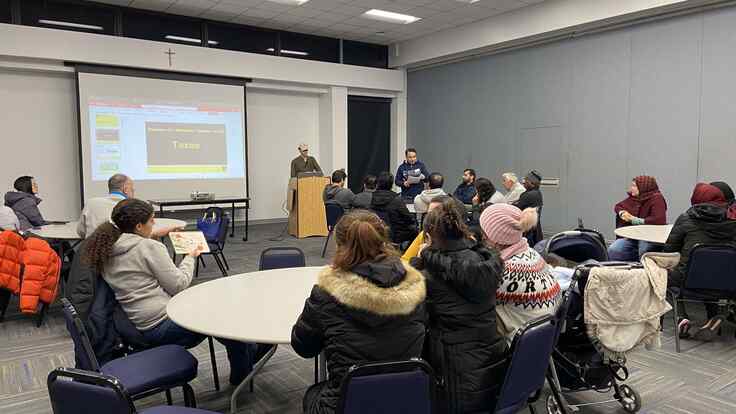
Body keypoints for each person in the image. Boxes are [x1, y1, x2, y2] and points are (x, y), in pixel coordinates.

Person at [81, 198, 268, 386]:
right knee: (222, 317)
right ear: (138, 226)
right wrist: (190, 256)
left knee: (216, 311)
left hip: (137, 326)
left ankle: (246, 353)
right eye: (151, 220)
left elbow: (137, 256)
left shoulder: (106, 246)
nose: (154, 224)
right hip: (164, 324)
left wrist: (154, 235)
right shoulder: (148, 247)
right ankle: (244, 367)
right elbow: (178, 284)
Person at [291, 210, 426, 414]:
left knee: (313, 394)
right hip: (407, 400)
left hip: (346, 405)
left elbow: (304, 348)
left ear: (339, 246)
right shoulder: (415, 287)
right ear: (384, 240)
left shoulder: (327, 293)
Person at [411, 196, 506, 413]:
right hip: (493, 368)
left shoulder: (428, 278)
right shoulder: (486, 263)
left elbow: (415, 319)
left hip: (453, 378)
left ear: (429, 236)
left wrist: (418, 263)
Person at [664, 183, 736, 341]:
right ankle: (716, 315)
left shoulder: (685, 218)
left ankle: (681, 318)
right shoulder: (732, 220)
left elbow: (668, 252)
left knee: (664, 277)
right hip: (726, 282)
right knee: (711, 273)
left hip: (689, 281)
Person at [480, 204, 561, 340]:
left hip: (519, 344)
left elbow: (474, 296)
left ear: (495, 238)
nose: (481, 237)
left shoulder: (506, 270)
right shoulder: (531, 254)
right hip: (543, 337)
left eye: (484, 233)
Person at [609, 175, 668, 261]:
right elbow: (618, 206)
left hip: (650, 237)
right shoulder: (635, 198)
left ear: (643, 187)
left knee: (644, 249)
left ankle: (644, 270)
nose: (631, 188)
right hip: (634, 236)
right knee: (614, 249)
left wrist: (634, 220)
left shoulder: (657, 198)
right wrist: (622, 213)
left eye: (634, 186)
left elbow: (658, 220)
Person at [77, 174, 133, 238]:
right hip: (122, 247)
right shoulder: (132, 207)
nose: (133, 193)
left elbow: (81, 231)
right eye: (132, 190)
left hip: (92, 246)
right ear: (125, 190)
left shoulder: (91, 203)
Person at [370, 172, 418, 244]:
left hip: (376, 232)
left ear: (377, 184)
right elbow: (408, 218)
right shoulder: (396, 200)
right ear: (391, 185)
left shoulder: (371, 198)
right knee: (415, 231)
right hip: (396, 234)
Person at [401, 194, 450, 262]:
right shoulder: (425, 234)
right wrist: (419, 257)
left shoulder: (455, 240)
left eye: (436, 213)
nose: (431, 217)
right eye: (429, 213)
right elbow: (405, 260)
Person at [514, 170, 544, 246]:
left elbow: (516, 210)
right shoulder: (538, 193)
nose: (524, 182)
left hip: (527, 232)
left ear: (532, 183)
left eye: (526, 180)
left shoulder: (528, 195)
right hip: (535, 230)